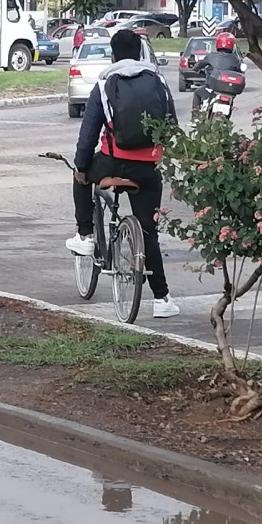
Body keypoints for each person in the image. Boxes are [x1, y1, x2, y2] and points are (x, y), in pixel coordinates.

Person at [66, 29, 180, 319]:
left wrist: (81, 168)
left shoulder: (106, 83)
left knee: (79, 174)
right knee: (148, 232)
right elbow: (172, 124)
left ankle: (85, 234)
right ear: (141, 52)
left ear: (113, 54)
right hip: (150, 166)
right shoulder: (158, 80)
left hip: (113, 163)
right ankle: (162, 299)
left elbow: (89, 133)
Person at [191, 32, 241, 114]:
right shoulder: (235, 59)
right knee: (230, 103)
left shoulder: (211, 56)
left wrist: (195, 68)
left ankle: (195, 118)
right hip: (228, 91)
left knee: (197, 93)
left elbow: (200, 64)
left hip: (212, 88)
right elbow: (239, 71)